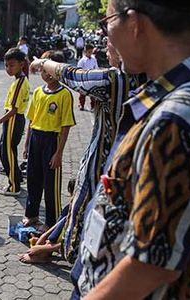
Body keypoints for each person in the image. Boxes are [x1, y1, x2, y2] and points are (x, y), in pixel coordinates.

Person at [71, 0, 190, 298]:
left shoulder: (177, 117)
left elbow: (151, 265)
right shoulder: (181, 91)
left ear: (134, 24)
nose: (107, 37)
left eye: (107, 24)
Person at [19, 43, 146, 265]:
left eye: (110, 42)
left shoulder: (117, 80)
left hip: (105, 168)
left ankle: (67, 250)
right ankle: (56, 242)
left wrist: (42, 63)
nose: (106, 49)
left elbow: (75, 76)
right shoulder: (154, 79)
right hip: (127, 171)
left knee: (87, 209)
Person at [22, 50, 75, 230]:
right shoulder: (37, 92)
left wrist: (58, 153)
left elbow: (66, 125)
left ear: (58, 71)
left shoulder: (64, 95)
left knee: (50, 184)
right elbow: (31, 120)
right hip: (36, 137)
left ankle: (51, 222)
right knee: (32, 178)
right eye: (43, 71)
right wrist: (27, 143)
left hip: (52, 140)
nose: (46, 74)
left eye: (49, 70)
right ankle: (31, 214)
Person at [0, 47, 29, 196]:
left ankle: (14, 186)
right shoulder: (19, 80)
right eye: (6, 65)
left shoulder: (20, 83)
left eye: (12, 65)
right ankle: (16, 178)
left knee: (7, 152)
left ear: (21, 64)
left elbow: (13, 110)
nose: (8, 69)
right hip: (13, 120)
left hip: (13, 120)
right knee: (5, 149)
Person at [77, 44, 98, 110]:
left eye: (91, 52)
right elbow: (79, 70)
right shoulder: (82, 61)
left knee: (92, 94)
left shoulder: (94, 59)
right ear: (85, 52)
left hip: (92, 79)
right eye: (89, 52)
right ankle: (81, 104)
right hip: (84, 79)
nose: (90, 54)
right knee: (82, 93)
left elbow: (96, 68)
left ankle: (93, 106)